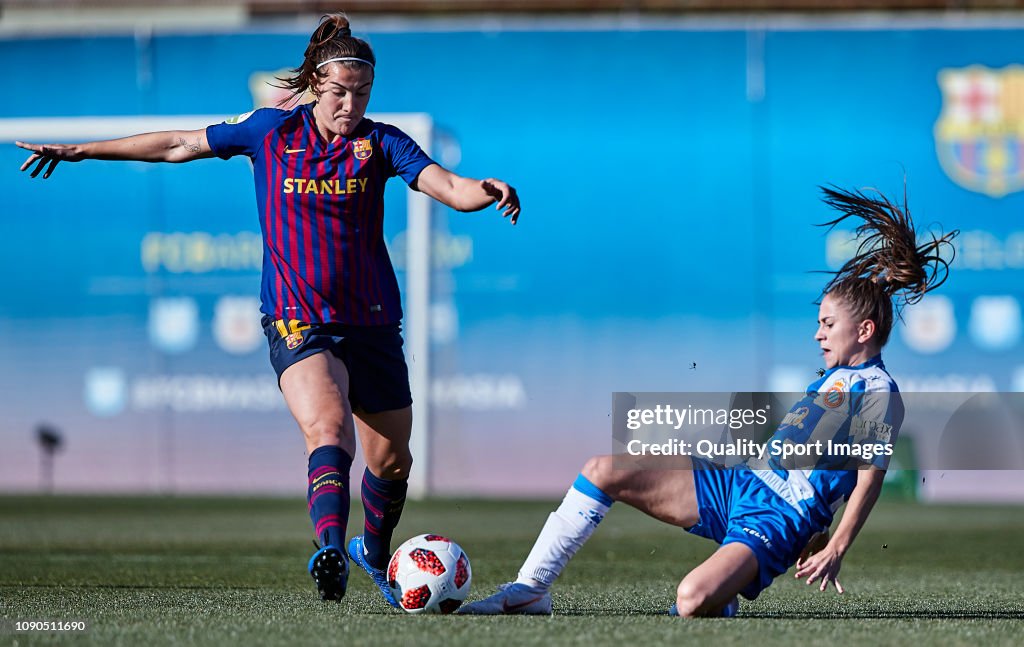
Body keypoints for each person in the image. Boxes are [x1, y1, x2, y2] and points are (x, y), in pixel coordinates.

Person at [17, 13, 520, 607]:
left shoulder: (383, 142)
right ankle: (330, 548)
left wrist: (484, 191)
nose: (350, 105)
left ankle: (373, 553)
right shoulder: (268, 132)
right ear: (315, 87)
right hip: (297, 317)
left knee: (392, 463)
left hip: (374, 321)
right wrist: (81, 152)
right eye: (338, 93)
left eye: (361, 94)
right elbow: (179, 143)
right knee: (327, 428)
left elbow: (447, 186)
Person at [459, 185, 955, 617]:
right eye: (819, 322)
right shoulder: (836, 378)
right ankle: (529, 590)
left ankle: (725, 591)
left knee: (691, 601)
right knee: (603, 468)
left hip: (777, 521)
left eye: (828, 325)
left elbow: (869, 473)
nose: (818, 334)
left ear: (864, 330)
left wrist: (836, 543)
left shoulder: (877, 391)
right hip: (738, 482)